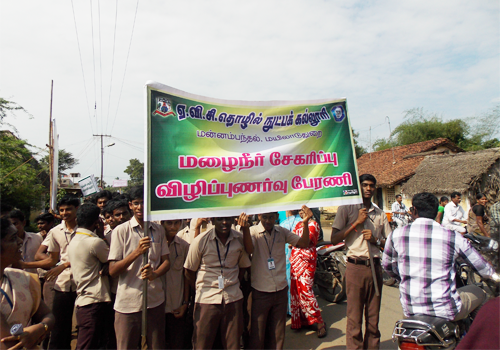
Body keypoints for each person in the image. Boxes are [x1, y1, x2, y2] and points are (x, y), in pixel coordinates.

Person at [382, 192, 500, 322]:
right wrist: (492, 275)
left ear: (414, 210)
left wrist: (405, 277)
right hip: (446, 310)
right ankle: (475, 338)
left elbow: (388, 266)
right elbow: (481, 266)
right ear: (436, 211)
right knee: (481, 292)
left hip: (410, 310)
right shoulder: (452, 237)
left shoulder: (396, 235)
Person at [330, 174, 391, 350]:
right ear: (358, 187)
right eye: (364, 185)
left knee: (373, 319)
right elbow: (334, 238)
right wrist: (356, 223)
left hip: (375, 268)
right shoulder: (346, 209)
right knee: (354, 320)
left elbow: (390, 244)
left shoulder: (379, 214)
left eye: (371, 186)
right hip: (355, 267)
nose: (368, 189)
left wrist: (376, 240)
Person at [241, 206, 313, 350]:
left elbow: (304, 243)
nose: (268, 221)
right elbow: (249, 249)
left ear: (276, 216)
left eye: (271, 217)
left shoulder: (281, 232)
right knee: (258, 334)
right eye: (265, 217)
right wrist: (245, 230)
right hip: (261, 291)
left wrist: (305, 223)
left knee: (278, 334)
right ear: (260, 215)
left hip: (280, 290)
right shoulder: (253, 232)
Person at [108, 186, 170, 350]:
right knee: (126, 345)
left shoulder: (158, 230)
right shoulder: (120, 231)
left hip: (154, 300)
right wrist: (136, 253)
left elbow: (166, 262)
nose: (140, 207)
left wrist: (154, 274)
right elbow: (113, 270)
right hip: (128, 303)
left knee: (157, 345)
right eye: (136, 203)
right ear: (130, 205)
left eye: (143, 203)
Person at [18, 196, 80, 350]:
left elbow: (89, 256)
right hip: (63, 284)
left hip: (84, 282)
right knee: (59, 327)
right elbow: (51, 260)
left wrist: (65, 264)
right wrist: (24, 264)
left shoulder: (86, 228)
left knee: (84, 326)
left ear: (77, 209)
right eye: (62, 210)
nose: (65, 213)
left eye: (69, 209)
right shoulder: (55, 231)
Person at [184, 215, 251, 350]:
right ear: (212, 221)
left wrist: (231, 283)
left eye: (227, 219)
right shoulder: (200, 241)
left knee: (233, 344)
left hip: (233, 298)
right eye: (220, 219)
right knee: (202, 344)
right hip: (207, 300)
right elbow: (189, 272)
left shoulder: (239, 239)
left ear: (233, 220)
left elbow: (242, 267)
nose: (224, 222)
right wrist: (200, 289)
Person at [0, 218, 55, 349]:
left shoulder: (22, 278)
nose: (20, 242)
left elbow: (48, 315)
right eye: (13, 238)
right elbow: (7, 343)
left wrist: (40, 327)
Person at [67, 203, 111, 350]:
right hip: (94, 300)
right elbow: (112, 261)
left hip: (83, 300)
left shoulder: (74, 240)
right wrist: (102, 236)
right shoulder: (95, 242)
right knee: (87, 344)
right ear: (96, 222)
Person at [289, 208, 326, 338]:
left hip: (306, 262)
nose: (301, 213)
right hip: (295, 261)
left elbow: (306, 241)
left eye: (304, 210)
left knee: (306, 291)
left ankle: (320, 322)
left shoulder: (313, 225)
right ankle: (302, 321)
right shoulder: (298, 224)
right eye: (300, 210)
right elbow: (292, 242)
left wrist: (296, 241)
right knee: (295, 292)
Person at [161, 219, 191, 349]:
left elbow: (186, 276)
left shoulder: (184, 246)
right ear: (162, 224)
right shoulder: (153, 245)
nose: (173, 227)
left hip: (176, 307)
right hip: (156, 306)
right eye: (169, 223)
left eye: (176, 223)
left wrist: (185, 303)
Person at [279, 210, 302, 315]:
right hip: (298, 259)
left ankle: (290, 309)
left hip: (287, 259)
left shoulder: (282, 225)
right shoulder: (304, 222)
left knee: (289, 282)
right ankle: (296, 310)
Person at [9, 210, 43, 274]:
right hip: (12, 280)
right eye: (10, 224)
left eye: (15, 224)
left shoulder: (37, 238)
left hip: (33, 280)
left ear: (24, 223)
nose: (12, 227)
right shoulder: (5, 242)